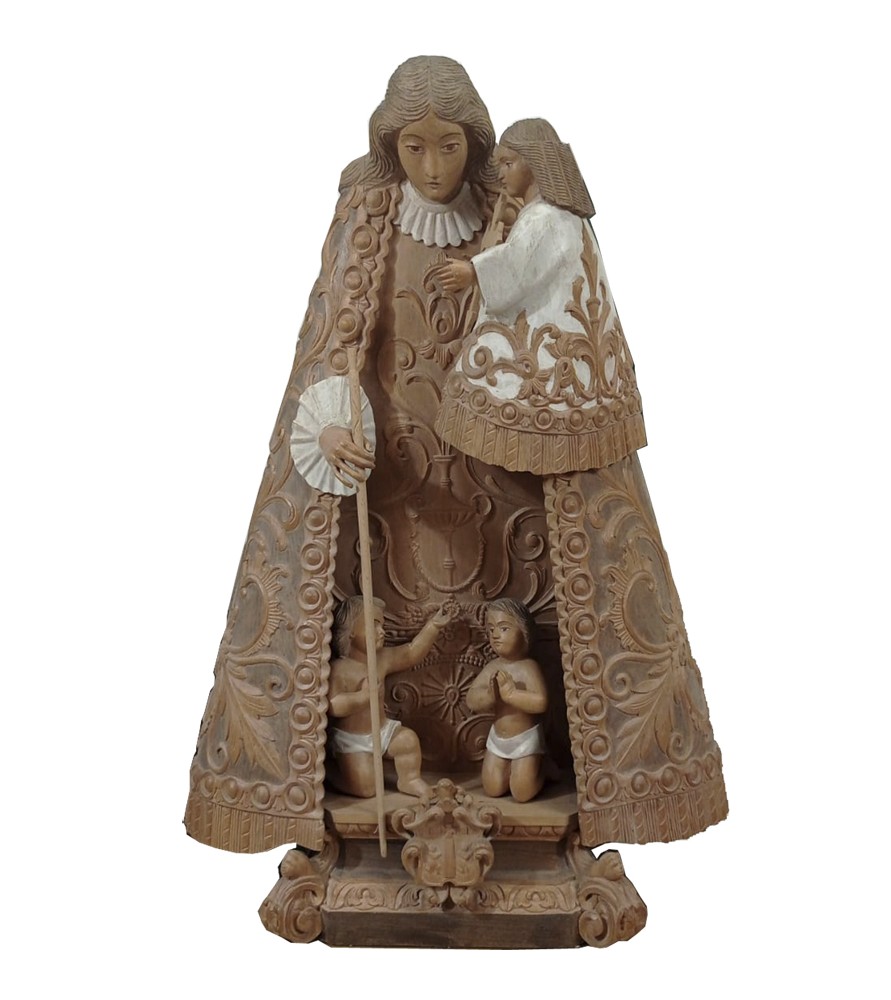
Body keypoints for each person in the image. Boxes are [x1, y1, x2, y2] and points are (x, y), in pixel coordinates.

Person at [185, 61, 727, 860]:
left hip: (508, 469)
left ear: (476, 142)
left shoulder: (518, 212)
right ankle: (376, 779)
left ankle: (539, 773)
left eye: (448, 147)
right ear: (388, 147)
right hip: (389, 477)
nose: (432, 167)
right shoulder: (365, 214)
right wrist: (329, 424)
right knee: (380, 619)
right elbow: (331, 344)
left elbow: (556, 300)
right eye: (413, 148)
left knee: (536, 613)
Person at [327, 596, 455, 798]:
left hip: (382, 732)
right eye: (374, 624)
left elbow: (411, 653)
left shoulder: (381, 659)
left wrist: (433, 627)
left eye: (382, 625)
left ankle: (409, 780)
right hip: (354, 740)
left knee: (407, 741)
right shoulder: (340, 668)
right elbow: (333, 705)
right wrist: (363, 697)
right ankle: (331, 775)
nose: (382, 631)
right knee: (367, 789)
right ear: (350, 631)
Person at [466, 600, 547, 802]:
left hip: (525, 740)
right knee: (492, 788)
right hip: (498, 740)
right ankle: (514, 770)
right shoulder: (493, 667)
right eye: (491, 629)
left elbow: (541, 702)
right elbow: (471, 699)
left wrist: (512, 695)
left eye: (503, 628)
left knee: (522, 793)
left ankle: (543, 770)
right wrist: (490, 695)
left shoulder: (528, 667)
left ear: (524, 632)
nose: (495, 635)